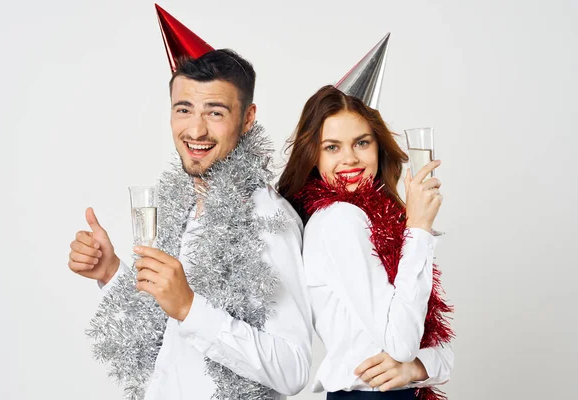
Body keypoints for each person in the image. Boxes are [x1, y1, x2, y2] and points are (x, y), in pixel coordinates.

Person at [67, 46, 313, 399]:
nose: (196, 129)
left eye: (215, 112)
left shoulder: (269, 220)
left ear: (247, 118)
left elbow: (294, 369)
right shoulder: (180, 204)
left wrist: (190, 308)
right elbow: (161, 328)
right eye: (184, 109)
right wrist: (110, 271)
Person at [277, 85, 454, 400]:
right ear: (313, 155)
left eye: (361, 142)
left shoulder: (375, 220)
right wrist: (419, 228)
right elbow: (402, 342)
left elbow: (440, 352)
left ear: (378, 147)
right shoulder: (340, 220)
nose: (350, 159)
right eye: (332, 147)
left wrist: (416, 367)